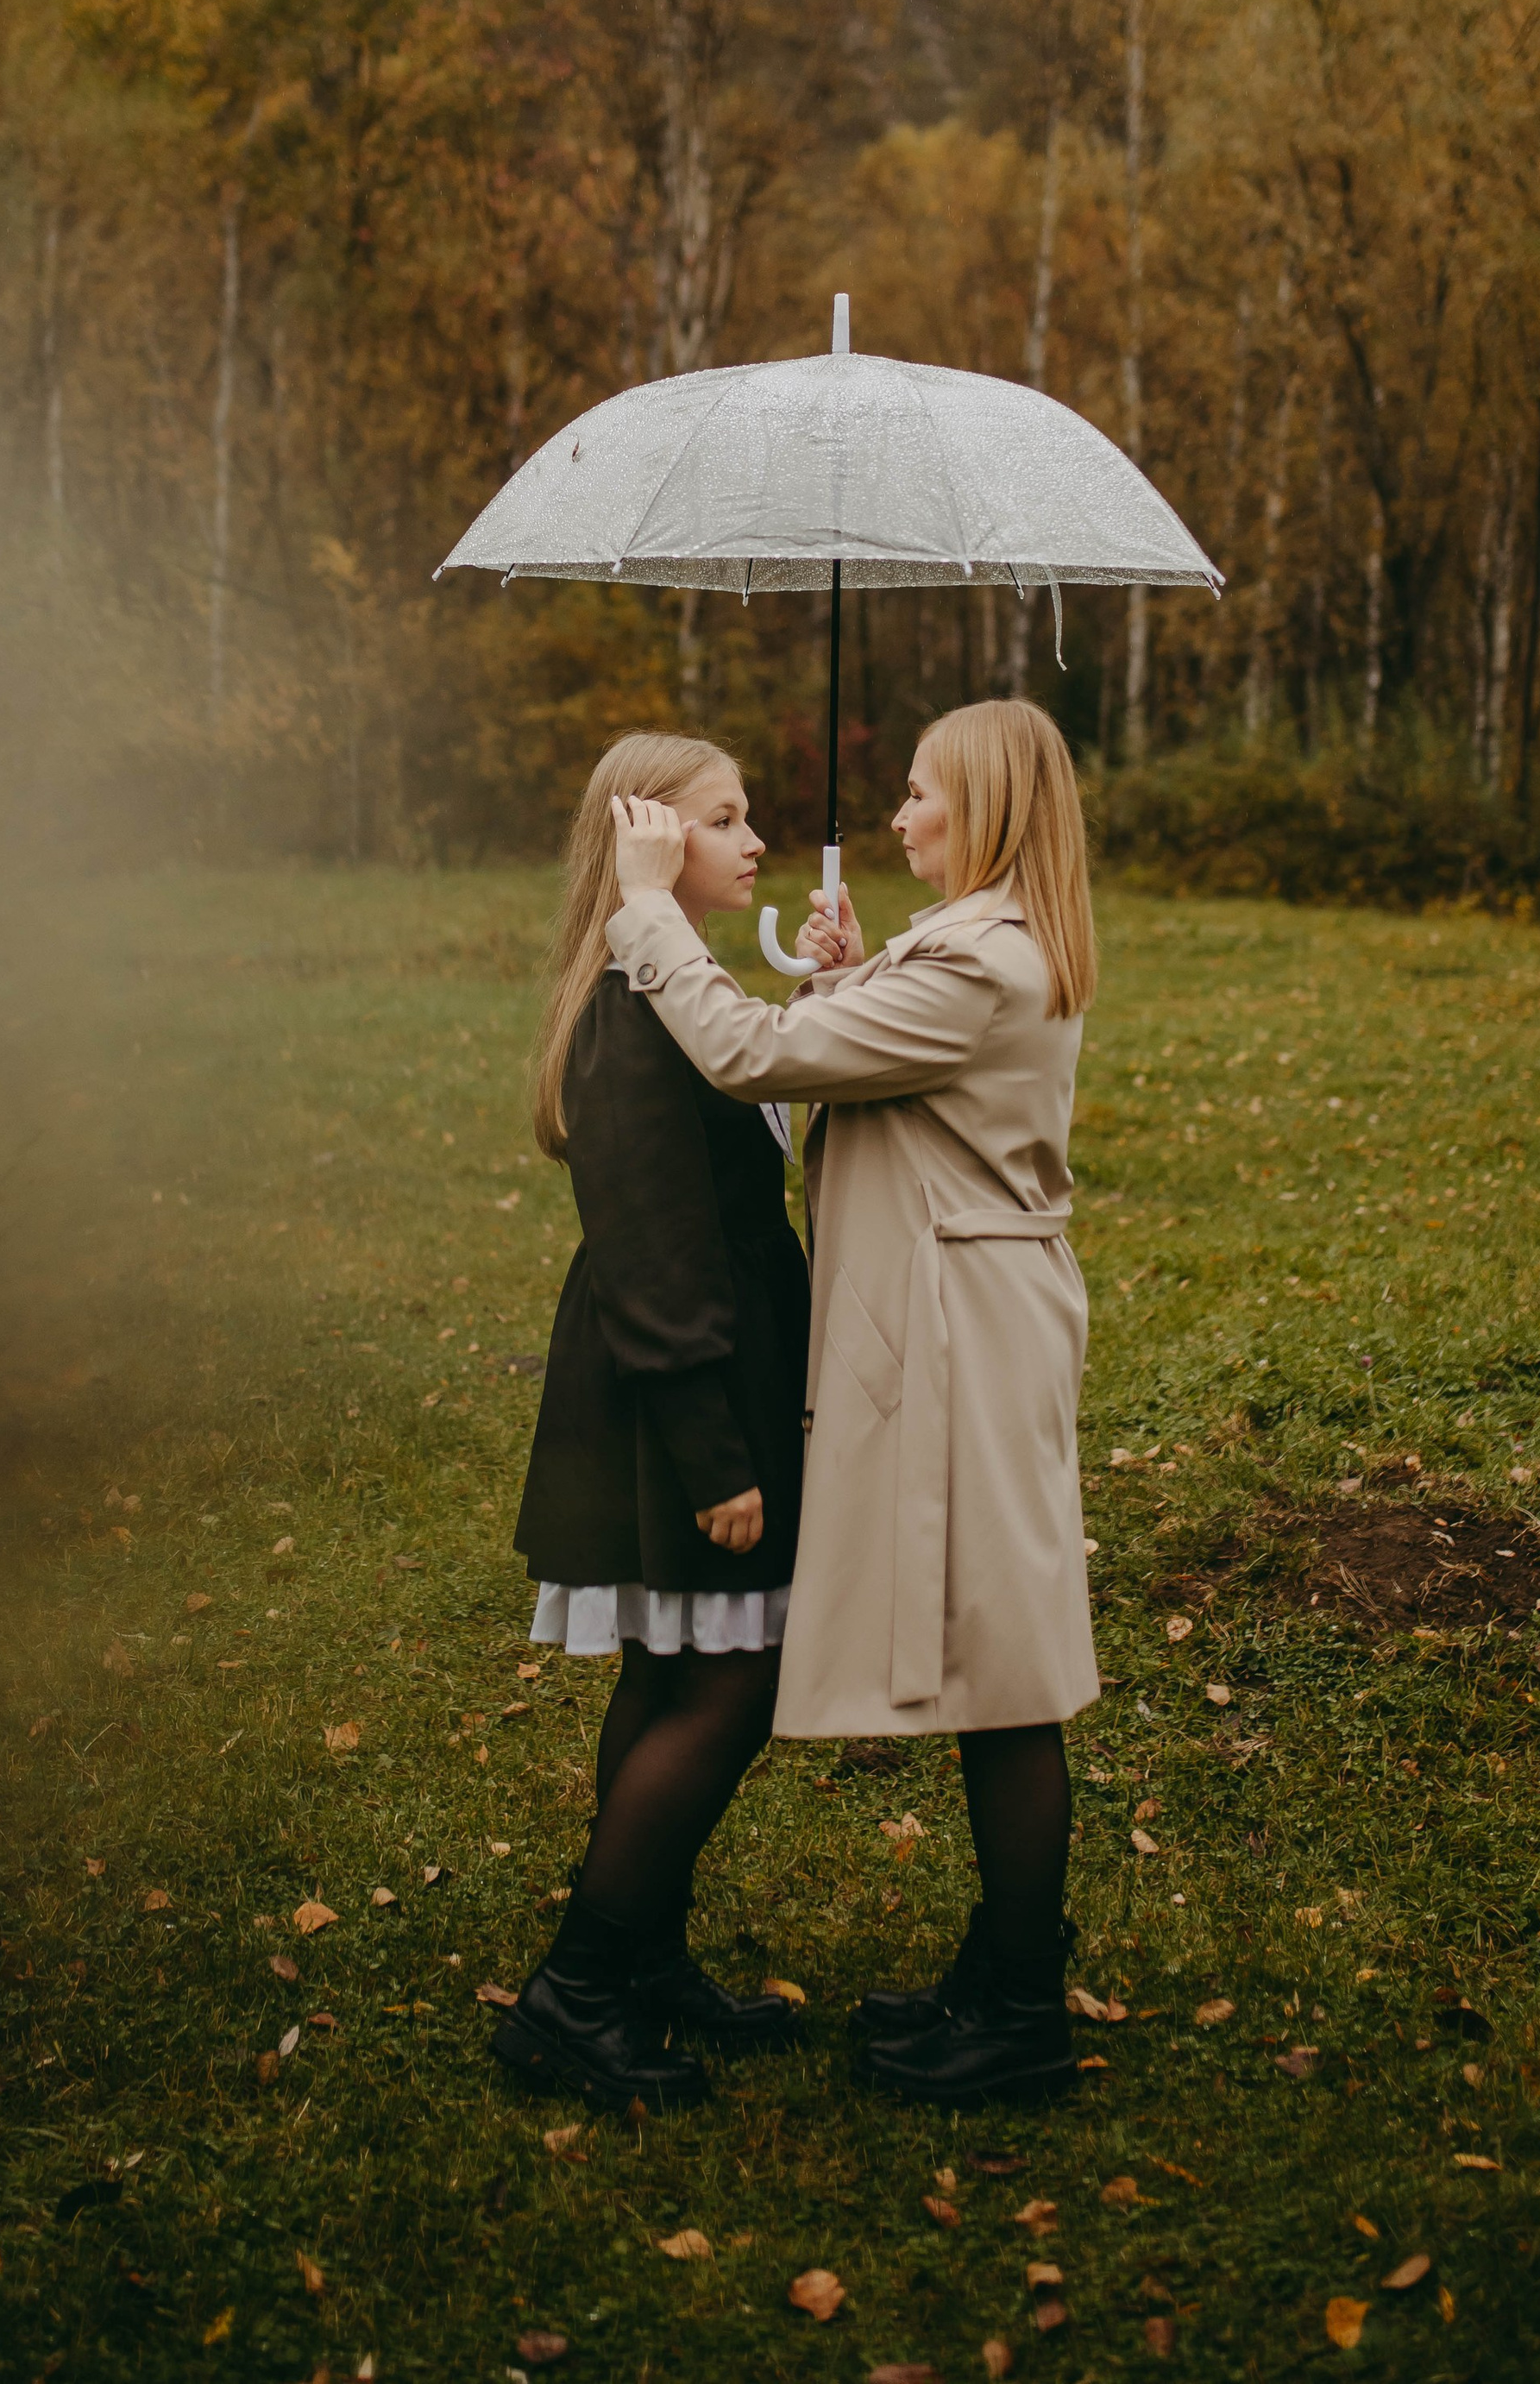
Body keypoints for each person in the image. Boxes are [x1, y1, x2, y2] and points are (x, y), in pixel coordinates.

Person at [605, 697, 1100, 2106]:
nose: (899, 816)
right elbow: (879, 1064)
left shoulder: (985, 961)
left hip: (973, 1336)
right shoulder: (971, 948)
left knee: (1008, 1677)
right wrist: (844, 979)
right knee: (998, 1667)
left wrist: (649, 918)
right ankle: (997, 1976)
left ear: (986, 810)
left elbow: (755, 1060)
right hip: (961, 1319)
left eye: (921, 793)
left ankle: (1018, 2009)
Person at [493, 732, 812, 2110]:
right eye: (725, 820)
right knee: (730, 1684)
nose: (754, 842)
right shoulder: (632, 1003)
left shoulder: (674, 981)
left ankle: (641, 1964)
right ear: (647, 834)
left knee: (670, 1669)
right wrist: (713, 1453)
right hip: (682, 1384)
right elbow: (654, 1245)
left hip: (699, 1369)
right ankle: (573, 1994)